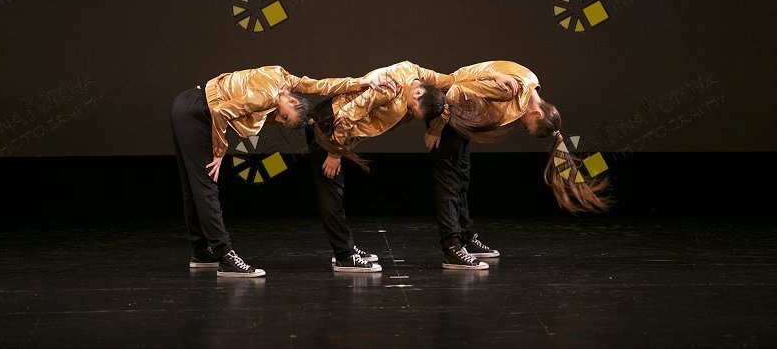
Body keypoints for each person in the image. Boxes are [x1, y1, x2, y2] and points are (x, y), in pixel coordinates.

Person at [170, 65, 392, 278]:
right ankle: (224, 255)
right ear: (292, 101)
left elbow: (322, 85)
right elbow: (220, 112)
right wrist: (219, 152)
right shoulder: (267, 96)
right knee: (206, 186)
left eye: (282, 120)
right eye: (285, 116)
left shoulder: (283, 80)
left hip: (189, 105)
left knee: (193, 185)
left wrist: (361, 82)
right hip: (197, 112)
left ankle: (201, 251)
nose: (277, 118)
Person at [305, 61, 510, 272]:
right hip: (328, 124)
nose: (409, 112)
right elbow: (345, 116)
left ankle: (345, 249)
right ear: (418, 93)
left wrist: (492, 76)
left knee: (334, 189)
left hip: (340, 129)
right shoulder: (389, 88)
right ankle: (344, 255)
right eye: (412, 108)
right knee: (331, 189)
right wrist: (334, 153)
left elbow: (454, 80)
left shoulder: (421, 76)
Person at [423, 60, 613, 270]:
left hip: (461, 119)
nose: (523, 125)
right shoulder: (510, 90)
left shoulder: (530, 85)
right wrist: (436, 127)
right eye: (527, 127)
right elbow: (454, 90)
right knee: (449, 184)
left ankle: (465, 238)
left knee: (462, 180)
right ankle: (452, 249)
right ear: (537, 113)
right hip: (446, 113)